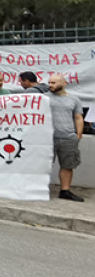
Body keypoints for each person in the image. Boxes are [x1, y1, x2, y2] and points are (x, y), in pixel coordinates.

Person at [47, 74, 85, 202]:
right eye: (49, 82)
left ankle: (65, 191)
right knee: (45, 165)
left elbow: (78, 117)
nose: (50, 85)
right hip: (47, 138)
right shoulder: (43, 98)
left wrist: (78, 133)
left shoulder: (74, 99)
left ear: (64, 83)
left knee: (67, 165)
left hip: (68, 137)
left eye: (53, 83)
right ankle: (41, 189)